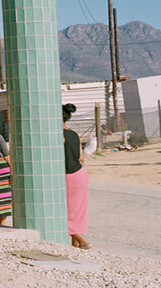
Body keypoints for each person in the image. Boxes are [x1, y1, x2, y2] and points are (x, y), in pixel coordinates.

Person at [63, 103, 91, 249]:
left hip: (67, 175)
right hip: (80, 174)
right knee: (77, 211)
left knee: (63, 211)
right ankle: (75, 246)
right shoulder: (74, 134)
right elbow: (81, 158)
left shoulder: (57, 135)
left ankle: (82, 240)